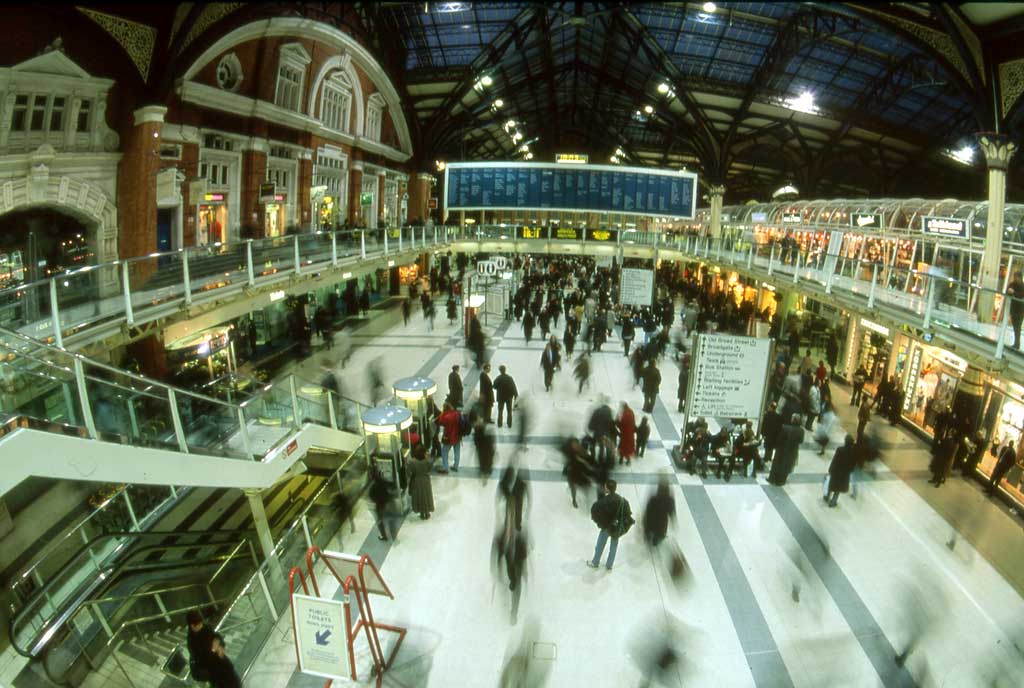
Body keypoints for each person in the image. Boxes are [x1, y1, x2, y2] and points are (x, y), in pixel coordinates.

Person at [587, 480, 633, 571]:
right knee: (614, 545)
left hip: (606, 527)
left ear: (607, 489)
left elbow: (594, 513)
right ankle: (609, 565)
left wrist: (601, 524)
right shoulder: (622, 501)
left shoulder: (602, 502)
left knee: (600, 544)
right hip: (617, 527)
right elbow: (628, 513)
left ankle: (595, 562)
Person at [768, 415, 804, 486]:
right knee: (787, 465)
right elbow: (800, 441)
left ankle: (772, 478)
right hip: (792, 451)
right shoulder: (801, 431)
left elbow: (779, 438)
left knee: (777, 463)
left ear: (793, 420)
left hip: (781, 449)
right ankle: (781, 481)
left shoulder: (785, 428)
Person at [824, 435, 857, 507]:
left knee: (831, 484)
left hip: (836, 471)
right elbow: (853, 464)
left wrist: (830, 469)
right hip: (845, 473)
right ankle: (833, 502)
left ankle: (827, 496)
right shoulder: (853, 452)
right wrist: (850, 470)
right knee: (838, 488)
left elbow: (835, 460)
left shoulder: (840, 449)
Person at [642, 477, 676, 547]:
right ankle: (656, 541)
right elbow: (671, 511)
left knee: (649, 529)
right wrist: (673, 520)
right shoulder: (669, 500)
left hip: (651, 518)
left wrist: (644, 518)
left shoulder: (653, 498)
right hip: (662, 521)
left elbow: (648, 509)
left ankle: (648, 537)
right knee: (660, 533)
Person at [561, 436, 594, 508]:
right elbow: (568, 460)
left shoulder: (582, 451)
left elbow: (589, 461)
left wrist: (582, 461)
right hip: (572, 471)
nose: (575, 445)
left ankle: (587, 500)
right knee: (573, 486)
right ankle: (574, 500)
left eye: (576, 444)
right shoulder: (570, 452)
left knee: (586, 486)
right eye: (573, 444)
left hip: (580, 471)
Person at [368, 465, 397, 541]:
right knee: (390, 519)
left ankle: (384, 536)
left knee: (380, 521)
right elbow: (391, 485)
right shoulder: (382, 480)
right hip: (387, 501)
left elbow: (371, 496)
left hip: (380, 505)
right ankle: (393, 535)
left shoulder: (372, 486)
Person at [407, 444, 435, 519]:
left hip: (417, 480)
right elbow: (430, 466)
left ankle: (422, 513)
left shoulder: (412, 462)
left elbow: (409, 472)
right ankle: (427, 512)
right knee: (426, 496)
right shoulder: (428, 461)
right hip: (426, 480)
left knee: (419, 496)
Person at [186, 610, 214, 682]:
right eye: (199, 624)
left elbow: (216, 637)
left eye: (201, 623)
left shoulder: (206, 627)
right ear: (192, 626)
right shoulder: (191, 641)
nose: (201, 626)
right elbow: (197, 656)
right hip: (205, 666)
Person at [436, 401, 462, 473]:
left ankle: (445, 468)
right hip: (458, 436)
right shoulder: (456, 413)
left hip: (449, 437)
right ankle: (455, 466)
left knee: (444, 451)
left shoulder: (446, 416)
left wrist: (442, 413)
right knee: (457, 451)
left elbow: (440, 422)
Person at [473, 416, 496, 481]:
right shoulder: (488, 430)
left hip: (481, 449)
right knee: (488, 460)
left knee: (482, 461)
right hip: (488, 448)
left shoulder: (478, 429)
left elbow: (476, 441)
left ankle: (484, 472)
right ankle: (487, 472)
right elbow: (491, 440)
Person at [761, 401, 783, 466]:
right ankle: (769, 458)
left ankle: (766, 457)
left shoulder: (767, 415)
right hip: (774, 435)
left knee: (767, 446)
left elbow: (764, 425)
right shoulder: (778, 416)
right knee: (771, 447)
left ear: (771, 407)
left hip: (768, 434)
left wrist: (762, 433)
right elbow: (780, 427)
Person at [1007, 269, 1024, 350]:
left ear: (1020, 278)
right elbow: (1007, 292)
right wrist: (1009, 291)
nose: (1015, 279)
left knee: (1018, 327)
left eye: (1016, 277)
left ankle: (1017, 344)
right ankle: (1016, 343)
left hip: (1020, 310)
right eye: (1014, 277)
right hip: (1013, 309)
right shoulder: (1012, 284)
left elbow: (1021, 296)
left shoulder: (1022, 286)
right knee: (1015, 327)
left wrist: (1013, 292)